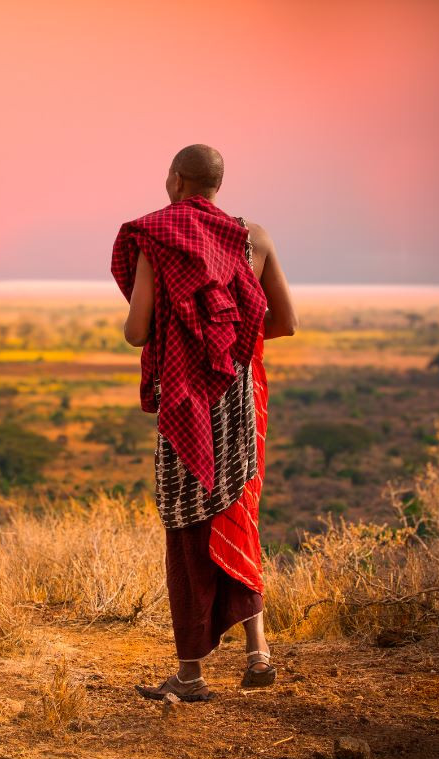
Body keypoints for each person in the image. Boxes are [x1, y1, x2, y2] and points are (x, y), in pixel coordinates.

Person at [111, 144, 298, 702]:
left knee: (188, 528)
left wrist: (188, 344)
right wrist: (226, 341)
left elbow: (136, 331)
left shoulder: (154, 238)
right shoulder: (254, 238)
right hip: (235, 398)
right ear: (217, 184)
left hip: (185, 403)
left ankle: (190, 675)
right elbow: (284, 322)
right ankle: (258, 653)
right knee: (236, 514)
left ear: (174, 180)